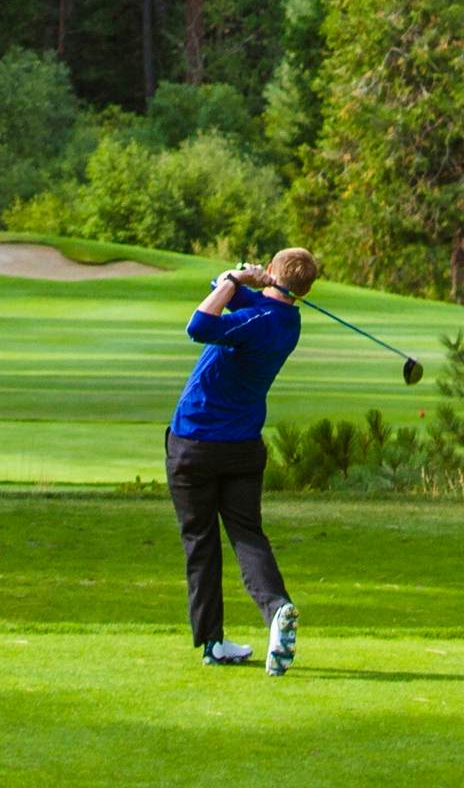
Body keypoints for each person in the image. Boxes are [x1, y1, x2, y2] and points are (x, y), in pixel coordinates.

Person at [168, 244, 314, 672]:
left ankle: (212, 642)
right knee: (247, 534)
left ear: (272, 269)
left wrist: (234, 280)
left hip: (195, 441)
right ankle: (276, 609)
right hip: (243, 448)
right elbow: (227, 291)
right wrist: (239, 280)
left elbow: (198, 325)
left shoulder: (254, 322)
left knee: (201, 544)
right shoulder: (288, 320)